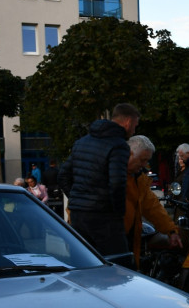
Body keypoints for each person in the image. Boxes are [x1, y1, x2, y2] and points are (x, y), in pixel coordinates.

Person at [58, 103, 140, 256]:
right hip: (104, 217)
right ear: (128, 122)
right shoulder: (119, 145)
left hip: (78, 215)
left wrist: (78, 199)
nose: (134, 130)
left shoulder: (81, 142)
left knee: (85, 263)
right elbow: (117, 184)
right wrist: (118, 213)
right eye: (135, 125)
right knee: (118, 265)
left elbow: (63, 175)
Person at [125, 135, 182, 268]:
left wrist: (171, 231)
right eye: (142, 160)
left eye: (147, 161)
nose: (145, 165)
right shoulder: (114, 174)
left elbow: (153, 208)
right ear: (130, 154)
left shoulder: (138, 179)